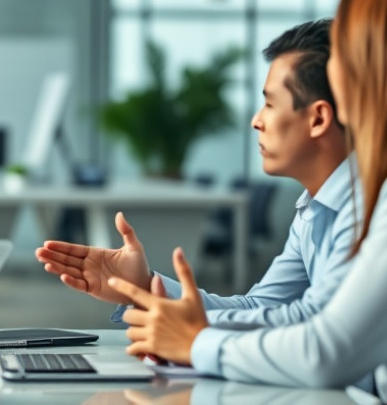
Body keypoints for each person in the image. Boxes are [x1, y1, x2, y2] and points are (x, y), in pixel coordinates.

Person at [107, 0, 387, 404]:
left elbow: (328, 347)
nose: (340, 73)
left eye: (351, 52)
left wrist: (195, 343)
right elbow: (285, 314)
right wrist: (152, 294)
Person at [37, 18, 355, 329]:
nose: (256, 121)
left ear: (318, 119)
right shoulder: (312, 210)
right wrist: (145, 286)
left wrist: (189, 338)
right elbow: (259, 309)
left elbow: (319, 337)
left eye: (270, 104)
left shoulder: (368, 212)